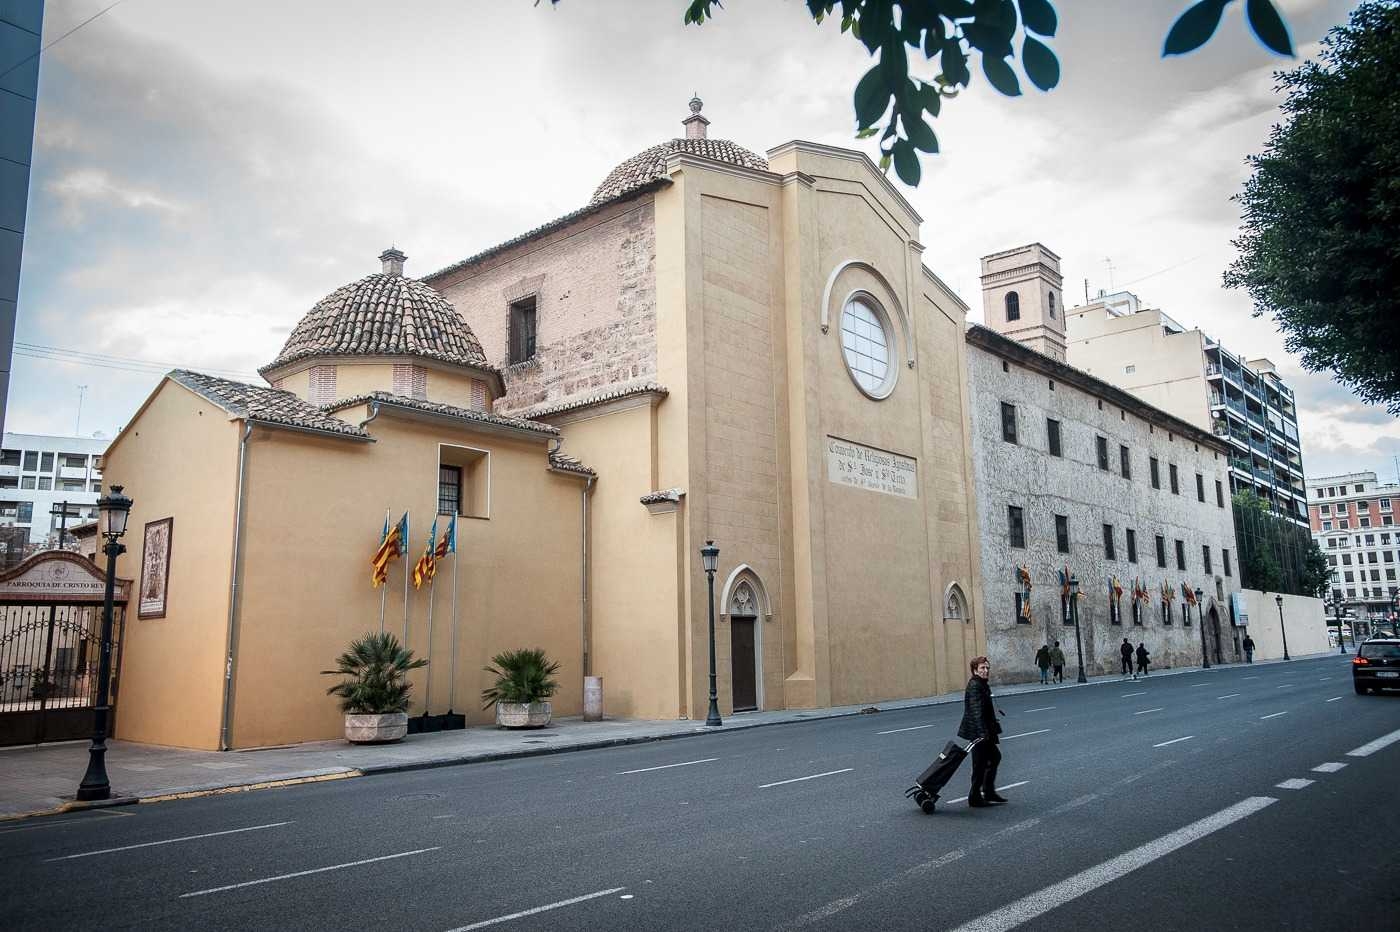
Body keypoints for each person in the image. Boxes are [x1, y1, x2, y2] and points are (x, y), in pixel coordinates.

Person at [957, 655, 1006, 807]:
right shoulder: (975, 686)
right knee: (980, 763)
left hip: (985, 730)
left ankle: (988, 791)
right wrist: (982, 733)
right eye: (982, 668)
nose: (985, 671)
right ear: (975, 670)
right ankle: (975, 796)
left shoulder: (982, 684)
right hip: (979, 732)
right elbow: (976, 711)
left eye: (987, 668)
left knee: (993, 758)